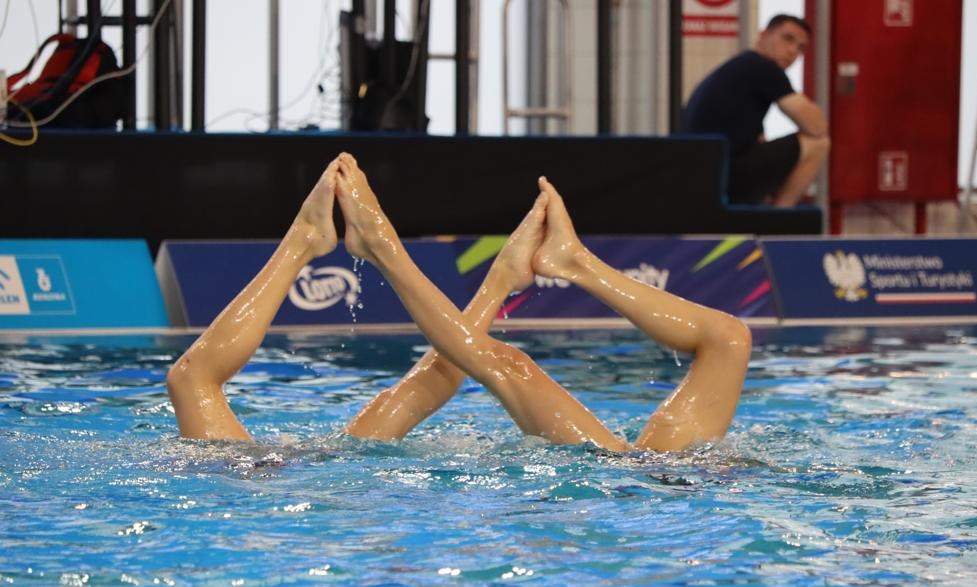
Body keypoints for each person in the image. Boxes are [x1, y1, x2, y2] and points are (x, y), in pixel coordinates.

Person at [167, 154, 752, 452]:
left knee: (193, 381)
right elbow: (445, 372)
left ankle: (336, 244)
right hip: (653, 484)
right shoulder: (326, 465)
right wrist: (496, 284)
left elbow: (192, 376)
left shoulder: (252, 476)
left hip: (640, 487)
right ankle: (571, 262)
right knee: (731, 337)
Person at [685, 14, 829, 207]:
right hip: (721, 174)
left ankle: (766, 209)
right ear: (763, 35)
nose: (793, 51)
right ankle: (779, 221)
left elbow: (758, 140)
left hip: (700, 175)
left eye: (801, 48)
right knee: (818, 144)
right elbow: (816, 127)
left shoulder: (742, 69)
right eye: (788, 39)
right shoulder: (763, 67)